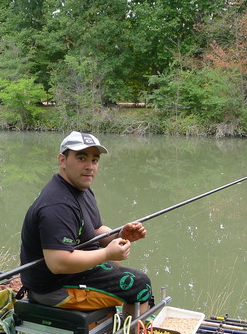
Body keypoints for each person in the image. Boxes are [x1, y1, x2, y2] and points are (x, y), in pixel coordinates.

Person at [19, 131, 153, 315]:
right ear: (62, 160)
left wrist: (119, 234)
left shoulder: (82, 189)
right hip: (53, 288)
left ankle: (119, 322)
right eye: (81, 158)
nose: (90, 166)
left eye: (94, 160)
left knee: (115, 263)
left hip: (69, 275)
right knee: (140, 284)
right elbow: (58, 263)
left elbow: (95, 230)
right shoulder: (57, 204)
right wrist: (106, 253)